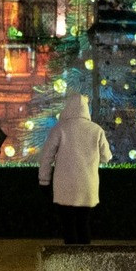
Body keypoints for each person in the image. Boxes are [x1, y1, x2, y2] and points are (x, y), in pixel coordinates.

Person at [38, 92, 112, 245]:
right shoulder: (96, 130)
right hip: (87, 186)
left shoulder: (60, 129)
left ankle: (70, 260)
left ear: (67, 108)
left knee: (67, 225)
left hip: (64, 186)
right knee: (83, 223)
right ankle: (84, 260)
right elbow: (106, 157)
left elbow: (46, 157)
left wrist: (44, 181)